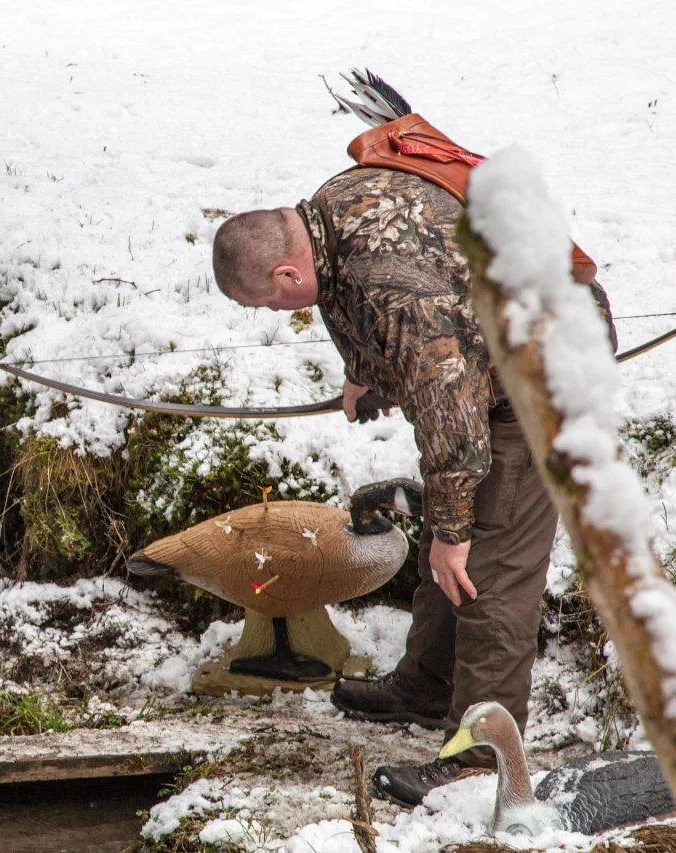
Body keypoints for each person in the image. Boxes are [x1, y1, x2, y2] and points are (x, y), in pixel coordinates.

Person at [210, 166, 614, 807]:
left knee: (488, 569)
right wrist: (366, 369)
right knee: (448, 548)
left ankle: (481, 765)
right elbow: (358, 295)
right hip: (483, 349)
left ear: (287, 273)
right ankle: (428, 687)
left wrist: (453, 533)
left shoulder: (394, 294)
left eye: (269, 303)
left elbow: (452, 412)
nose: (277, 314)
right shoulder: (328, 211)